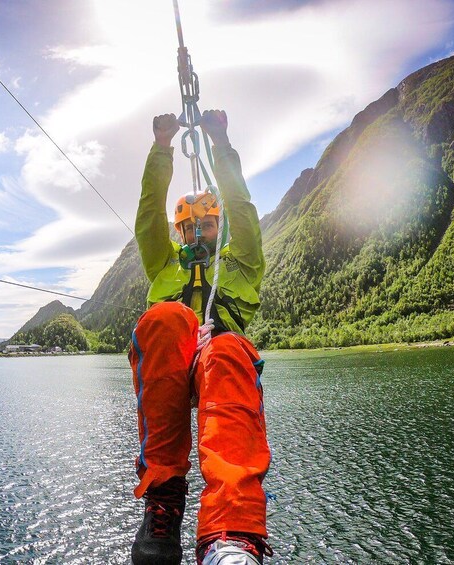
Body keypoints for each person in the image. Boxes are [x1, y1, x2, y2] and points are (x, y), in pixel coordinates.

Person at [130, 110, 272, 565]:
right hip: (172, 365)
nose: (197, 234)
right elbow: (148, 215)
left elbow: (244, 208)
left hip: (220, 366)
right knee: (164, 319)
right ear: (180, 231)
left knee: (229, 347)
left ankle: (230, 533)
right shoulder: (164, 264)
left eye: (207, 226)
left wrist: (220, 143)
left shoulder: (240, 262)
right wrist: (162, 148)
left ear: (219, 227)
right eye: (190, 228)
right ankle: (164, 498)